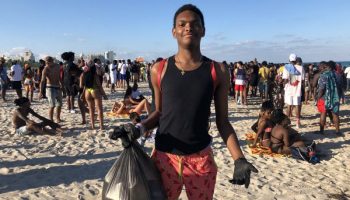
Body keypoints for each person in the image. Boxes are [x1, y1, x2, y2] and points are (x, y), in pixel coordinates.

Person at [131, 4, 257, 200]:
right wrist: (136, 129)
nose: (188, 28)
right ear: (174, 32)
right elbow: (157, 113)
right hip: (164, 158)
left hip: (201, 159)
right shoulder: (159, 69)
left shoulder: (218, 71)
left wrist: (239, 159)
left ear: (203, 30)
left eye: (194, 24)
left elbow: (223, 122)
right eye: (182, 24)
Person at [316, 61, 341, 136]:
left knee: (323, 113)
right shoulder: (337, 74)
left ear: (324, 67)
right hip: (335, 97)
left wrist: (318, 98)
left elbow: (321, 89)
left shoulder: (324, 75)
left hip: (325, 97)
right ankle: (337, 131)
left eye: (320, 67)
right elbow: (340, 86)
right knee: (335, 114)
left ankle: (321, 131)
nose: (320, 68)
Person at [82, 59, 107, 130]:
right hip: (95, 90)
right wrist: (104, 95)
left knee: (91, 109)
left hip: (87, 91)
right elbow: (99, 85)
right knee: (99, 109)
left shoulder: (85, 74)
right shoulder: (95, 75)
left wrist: (82, 94)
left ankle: (93, 126)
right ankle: (101, 126)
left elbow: (84, 85)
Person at [282, 54, 304, 128]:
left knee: (289, 105)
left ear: (289, 60)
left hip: (289, 89)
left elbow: (285, 79)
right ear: (296, 60)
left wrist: (283, 84)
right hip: (297, 89)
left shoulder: (286, 68)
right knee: (297, 105)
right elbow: (302, 80)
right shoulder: (301, 68)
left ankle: (288, 122)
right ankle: (298, 122)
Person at [39, 56, 63, 123]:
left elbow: (59, 77)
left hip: (58, 87)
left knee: (59, 104)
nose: (47, 64)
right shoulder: (45, 69)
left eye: (48, 62)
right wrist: (40, 91)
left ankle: (58, 118)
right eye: (46, 62)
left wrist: (62, 85)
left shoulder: (57, 66)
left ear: (52, 61)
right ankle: (51, 120)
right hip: (50, 87)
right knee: (52, 105)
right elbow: (42, 81)